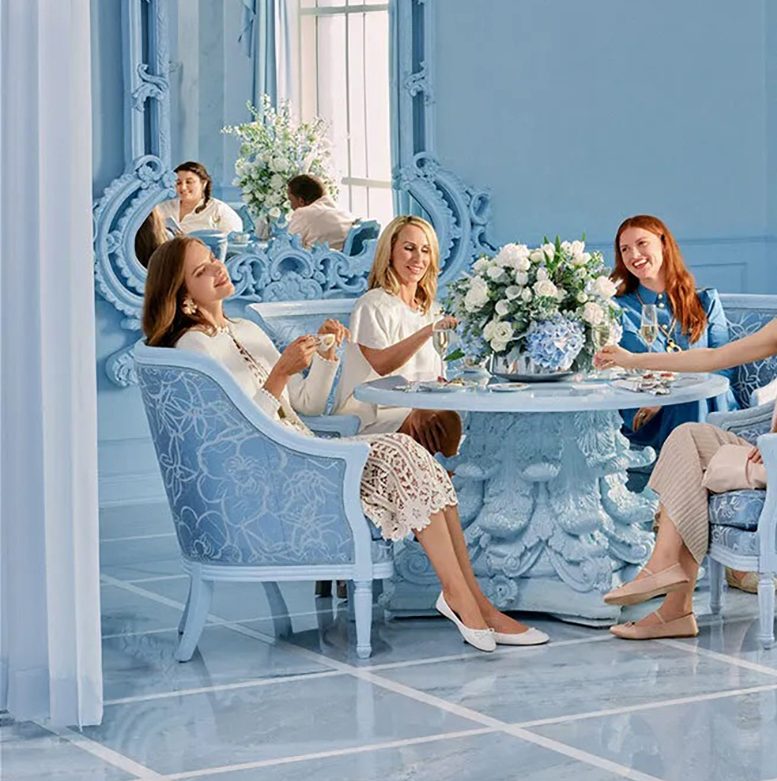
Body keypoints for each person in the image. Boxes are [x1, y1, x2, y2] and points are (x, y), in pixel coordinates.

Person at [142, 238, 543, 651]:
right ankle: (465, 600)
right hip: (276, 471)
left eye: (212, 259)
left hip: (302, 448)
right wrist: (279, 373)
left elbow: (305, 405)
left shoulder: (246, 330)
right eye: (200, 270)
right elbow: (235, 440)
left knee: (417, 458)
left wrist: (324, 356)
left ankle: (471, 599)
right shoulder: (194, 348)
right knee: (399, 451)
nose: (216, 268)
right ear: (182, 295)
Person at [592, 226, 777, 639]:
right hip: (776, 450)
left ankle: (673, 604)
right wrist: (631, 360)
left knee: (693, 468)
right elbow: (715, 356)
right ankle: (666, 578)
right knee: (688, 437)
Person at [335, 216, 463, 455]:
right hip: (372, 415)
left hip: (418, 409)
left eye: (425, 250)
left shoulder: (431, 310)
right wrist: (428, 331)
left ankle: (442, 486)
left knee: (453, 420)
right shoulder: (372, 304)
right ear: (390, 251)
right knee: (444, 423)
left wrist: (431, 400)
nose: (418, 258)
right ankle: (441, 486)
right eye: (409, 248)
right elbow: (382, 365)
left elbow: (436, 376)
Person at [609, 215, 735, 453]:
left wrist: (673, 395)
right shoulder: (618, 308)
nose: (633, 255)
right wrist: (657, 400)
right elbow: (613, 369)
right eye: (625, 249)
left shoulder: (705, 301)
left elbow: (724, 364)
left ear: (664, 244)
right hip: (648, 412)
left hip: (710, 406)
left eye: (642, 243)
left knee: (693, 397)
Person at [144, 161, 244, 243]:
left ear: (203, 183)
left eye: (189, 182)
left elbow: (232, 242)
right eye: (178, 183)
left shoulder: (219, 210)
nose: (183, 188)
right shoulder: (163, 208)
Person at [283, 174, 357, 248]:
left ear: (301, 201)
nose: (291, 206)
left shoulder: (303, 213)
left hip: (317, 258)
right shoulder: (346, 215)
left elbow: (287, 246)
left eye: (291, 200)